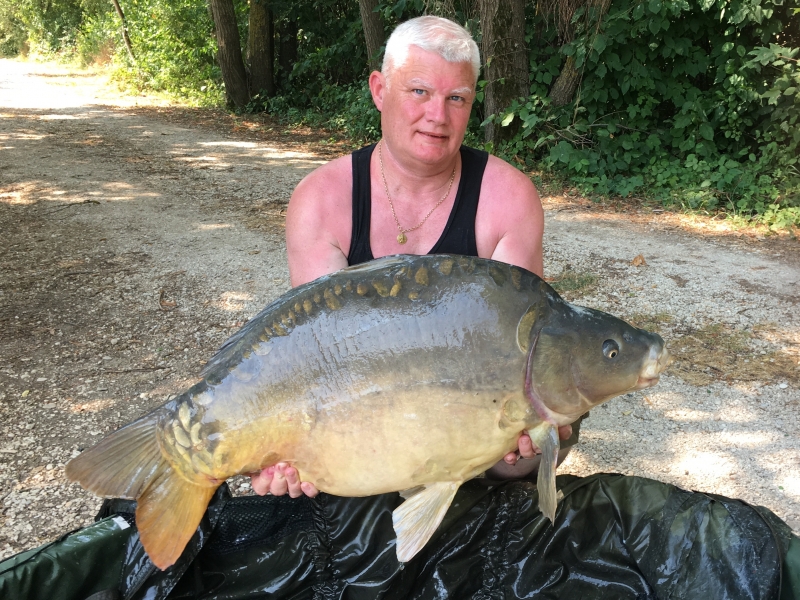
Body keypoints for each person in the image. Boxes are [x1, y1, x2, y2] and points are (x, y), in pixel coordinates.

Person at [250, 15, 577, 499]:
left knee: (540, 432)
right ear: (380, 90)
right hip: (366, 427)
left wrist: (534, 426)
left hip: (478, 438)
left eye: (456, 98)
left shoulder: (508, 197)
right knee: (297, 468)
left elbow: (520, 351)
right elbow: (326, 360)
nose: (438, 116)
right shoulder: (322, 200)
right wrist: (291, 452)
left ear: (472, 104)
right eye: (419, 91)